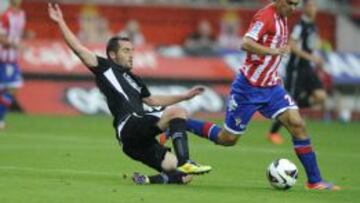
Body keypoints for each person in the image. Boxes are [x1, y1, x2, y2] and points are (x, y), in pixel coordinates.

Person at [161, 0, 340, 190]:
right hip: (248, 88)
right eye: (290, 3)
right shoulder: (266, 17)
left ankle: (315, 181)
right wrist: (273, 51)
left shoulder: (283, 17)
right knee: (226, 139)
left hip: (272, 86)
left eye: (296, 4)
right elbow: (245, 43)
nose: (293, 8)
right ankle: (178, 122)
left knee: (297, 124)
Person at [48, 3, 211, 185]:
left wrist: (185, 96)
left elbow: (153, 100)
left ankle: (147, 180)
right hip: (129, 125)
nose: (131, 55)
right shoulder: (104, 67)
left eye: (132, 50)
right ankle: (185, 161)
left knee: (185, 177)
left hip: (135, 143)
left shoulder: (135, 79)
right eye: (126, 51)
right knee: (177, 112)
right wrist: (60, 21)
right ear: (113, 55)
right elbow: (78, 49)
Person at [266, 0, 327, 144]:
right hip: (296, 68)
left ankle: (295, 106)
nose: (314, 9)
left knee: (321, 96)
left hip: (308, 68)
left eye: (315, 6)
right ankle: (272, 132)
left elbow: (310, 45)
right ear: (305, 7)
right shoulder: (300, 25)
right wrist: (312, 57)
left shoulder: (313, 26)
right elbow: (292, 46)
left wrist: (316, 56)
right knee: (290, 100)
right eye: (311, 5)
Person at [0, 0, 25, 129]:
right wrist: (14, 45)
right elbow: (1, 37)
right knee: (9, 89)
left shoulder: (22, 15)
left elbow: (17, 34)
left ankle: (1, 120)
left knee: (11, 89)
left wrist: (26, 36)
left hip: (13, 60)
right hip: (4, 60)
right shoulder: (5, 16)